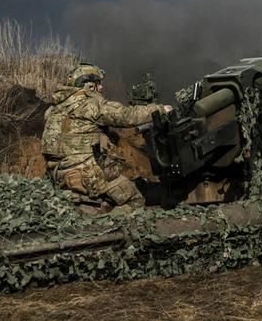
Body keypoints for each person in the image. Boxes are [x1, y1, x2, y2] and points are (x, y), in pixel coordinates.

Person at [42, 63, 172, 211]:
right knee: (135, 200)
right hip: (85, 175)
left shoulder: (53, 110)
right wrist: (160, 109)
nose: (101, 88)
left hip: (59, 176)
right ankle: (108, 228)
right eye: (98, 84)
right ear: (89, 86)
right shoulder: (90, 104)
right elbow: (126, 116)